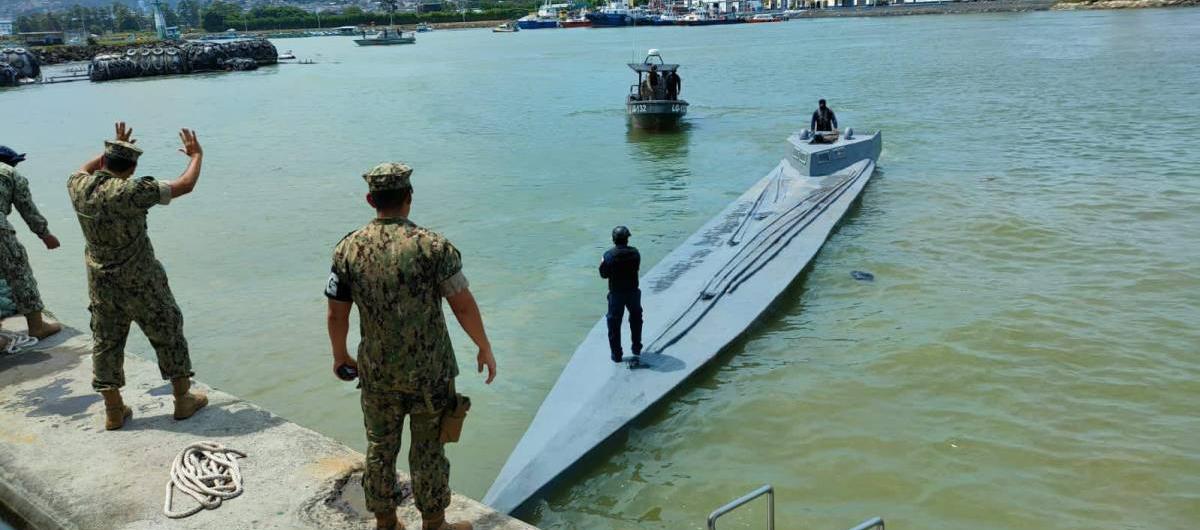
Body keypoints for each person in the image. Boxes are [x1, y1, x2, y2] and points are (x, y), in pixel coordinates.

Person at [325, 162, 497, 530]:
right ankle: (435, 524)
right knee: (429, 450)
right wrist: (483, 346)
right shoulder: (433, 247)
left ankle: (386, 522)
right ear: (409, 199)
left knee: (380, 449)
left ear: (371, 200)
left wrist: (340, 355)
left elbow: (336, 314)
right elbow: (462, 304)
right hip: (430, 374)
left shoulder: (347, 250)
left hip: (378, 373)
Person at [67, 122, 208, 431]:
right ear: (131, 170)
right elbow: (184, 185)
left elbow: (84, 168)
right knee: (167, 330)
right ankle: (183, 401)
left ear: (103, 163)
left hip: (101, 284)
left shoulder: (77, 187)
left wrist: (111, 146)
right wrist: (196, 155)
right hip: (142, 280)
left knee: (105, 342)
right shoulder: (132, 190)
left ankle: (114, 410)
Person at [0, 145, 63, 346]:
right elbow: (27, 209)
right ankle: (37, 326)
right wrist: (45, 235)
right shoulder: (9, 173)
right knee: (19, 274)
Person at [599, 225, 642, 363]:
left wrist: (603, 263)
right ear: (627, 239)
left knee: (614, 324)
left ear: (613, 239)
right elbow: (636, 267)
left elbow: (603, 275)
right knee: (636, 319)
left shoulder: (609, 255)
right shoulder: (635, 253)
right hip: (633, 293)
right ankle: (636, 348)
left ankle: (617, 356)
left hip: (616, 294)